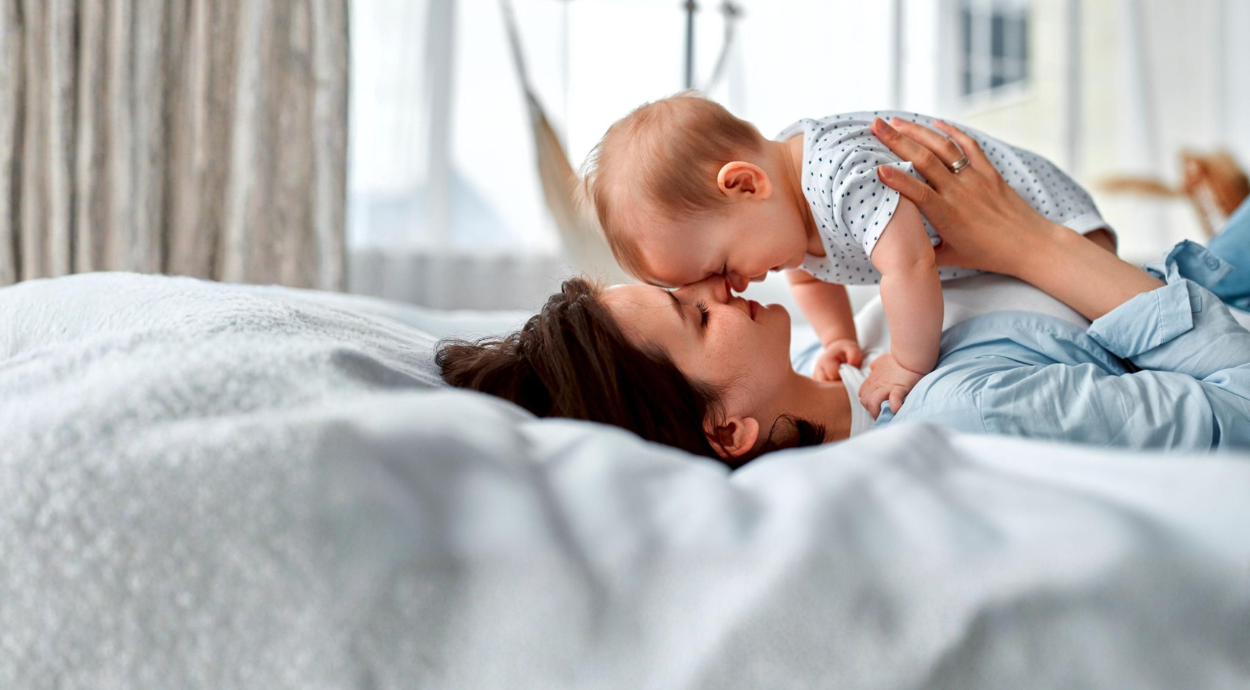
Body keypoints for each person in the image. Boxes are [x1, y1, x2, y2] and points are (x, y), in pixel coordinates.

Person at [439, 120, 1250, 468]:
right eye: (694, 312)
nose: (717, 286)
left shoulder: (855, 350)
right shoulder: (958, 405)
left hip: (1200, 274)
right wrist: (1031, 245)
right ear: (726, 430)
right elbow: (1238, 408)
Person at [579, 93, 1116, 416]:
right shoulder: (786, 215)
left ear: (745, 184)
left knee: (1092, 324)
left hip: (1057, 225)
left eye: (721, 267)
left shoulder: (840, 177)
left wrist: (907, 362)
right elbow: (811, 276)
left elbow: (909, 265)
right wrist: (839, 337)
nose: (733, 286)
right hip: (999, 253)